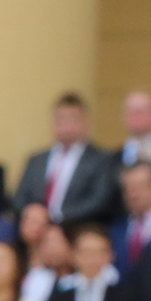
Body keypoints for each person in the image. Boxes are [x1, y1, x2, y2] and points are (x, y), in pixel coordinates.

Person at [17, 91, 120, 227]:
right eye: (60, 119)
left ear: (86, 122)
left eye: (72, 119)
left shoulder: (101, 159)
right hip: (35, 228)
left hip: (78, 228)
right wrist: (32, 213)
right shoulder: (36, 160)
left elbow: (98, 201)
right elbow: (19, 198)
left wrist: (53, 216)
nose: (65, 125)